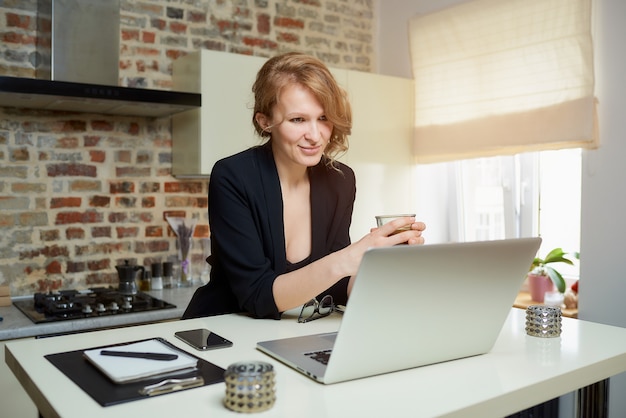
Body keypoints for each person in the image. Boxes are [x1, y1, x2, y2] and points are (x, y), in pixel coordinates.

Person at [182, 52, 426, 320]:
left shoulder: (340, 180)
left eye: (323, 118)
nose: (314, 135)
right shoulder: (233, 176)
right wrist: (349, 257)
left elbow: (331, 285)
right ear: (265, 122)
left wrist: (377, 266)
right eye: (298, 119)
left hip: (287, 333)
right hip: (221, 331)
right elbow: (257, 296)